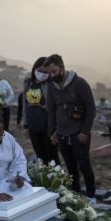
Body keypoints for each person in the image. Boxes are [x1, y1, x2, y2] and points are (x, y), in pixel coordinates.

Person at [44, 54, 97, 204]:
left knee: (84, 165)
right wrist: (52, 133)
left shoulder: (80, 83)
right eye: (49, 73)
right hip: (61, 134)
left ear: (62, 67)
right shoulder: (51, 88)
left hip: (78, 134)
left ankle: (91, 196)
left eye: (54, 71)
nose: (51, 75)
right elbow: (51, 111)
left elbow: (91, 109)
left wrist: (85, 131)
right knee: (70, 166)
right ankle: (75, 193)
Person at [21, 57, 60, 165]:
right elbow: (26, 104)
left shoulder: (52, 84)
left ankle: (56, 180)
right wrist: (26, 125)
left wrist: (57, 129)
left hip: (48, 127)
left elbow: (57, 107)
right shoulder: (27, 83)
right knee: (40, 157)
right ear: (34, 69)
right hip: (33, 126)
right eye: (39, 71)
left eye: (45, 72)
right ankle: (44, 180)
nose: (42, 74)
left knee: (52, 157)